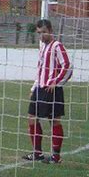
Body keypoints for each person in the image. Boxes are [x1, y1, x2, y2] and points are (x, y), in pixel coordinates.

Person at [22, 19, 73, 164]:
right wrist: (34, 87)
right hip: (40, 88)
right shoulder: (43, 47)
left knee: (54, 120)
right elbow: (41, 70)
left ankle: (56, 157)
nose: (41, 35)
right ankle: (37, 153)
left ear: (50, 31)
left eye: (44, 32)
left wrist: (56, 82)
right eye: (39, 33)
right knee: (32, 117)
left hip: (52, 90)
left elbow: (68, 67)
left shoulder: (57, 46)